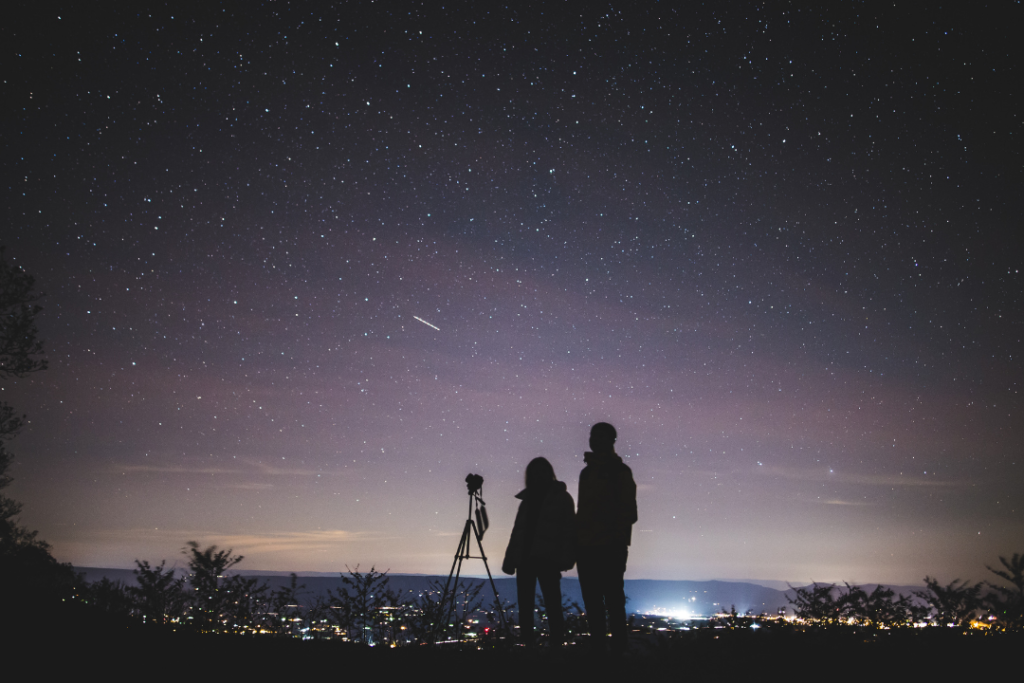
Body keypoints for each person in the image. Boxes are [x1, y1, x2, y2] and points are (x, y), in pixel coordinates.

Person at [576, 422, 637, 653]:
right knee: (593, 602)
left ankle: (617, 654)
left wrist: (613, 535)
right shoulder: (587, 472)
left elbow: (629, 511)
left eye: (600, 436)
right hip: (587, 546)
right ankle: (600, 652)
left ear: (611, 440)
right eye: (593, 436)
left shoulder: (620, 472)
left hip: (610, 546)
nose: (594, 440)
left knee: (612, 600)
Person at [502, 457, 575, 646]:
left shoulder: (561, 498)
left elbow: (569, 530)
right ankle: (529, 648)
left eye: (542, 471)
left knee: (552, 605)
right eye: (535, 472)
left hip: (548, 559)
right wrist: (511, 559)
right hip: (525, 559)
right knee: (526, 607)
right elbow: (517, 531)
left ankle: (556, 648)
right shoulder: (527, 500)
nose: (539, 475)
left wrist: (565, 557)